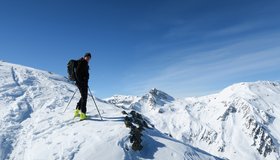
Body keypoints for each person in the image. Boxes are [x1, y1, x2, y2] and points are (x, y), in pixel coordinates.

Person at [74, 52, 91, 120]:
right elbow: (77, 73)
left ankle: (77, 111)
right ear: (85, 56)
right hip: (82, 83)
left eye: (89, 58)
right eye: (87, 57)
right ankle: (83, 114)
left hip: (81, 83)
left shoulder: (84, 63)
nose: (88, 59)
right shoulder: (82, 62)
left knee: (83, 97)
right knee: (84, 98)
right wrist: (83, 81)